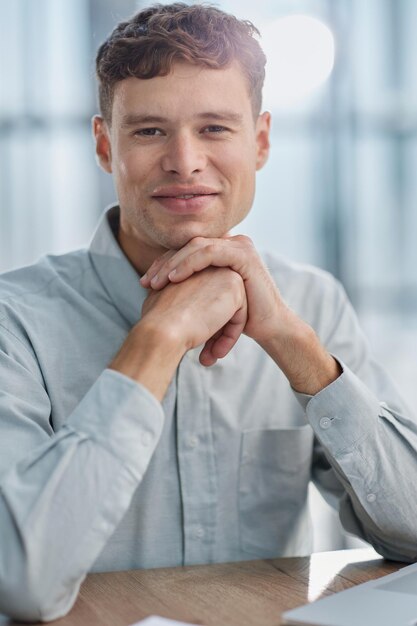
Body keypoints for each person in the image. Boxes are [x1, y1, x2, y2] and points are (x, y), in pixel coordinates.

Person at [1, 2, 416, 621]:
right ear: (104, 145)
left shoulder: (314, 302)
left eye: (216, 128)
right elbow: (22, 582)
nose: (185, 161)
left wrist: (289, 341)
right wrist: (159, 336)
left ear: (262, 141)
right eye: (148, 131)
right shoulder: (15, 319)